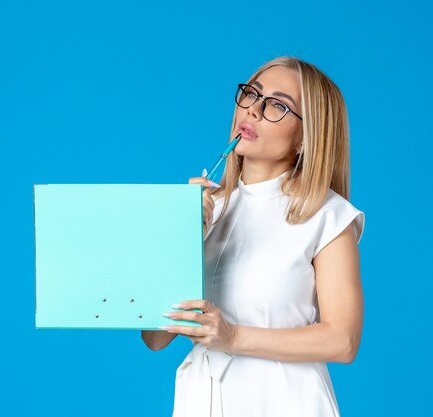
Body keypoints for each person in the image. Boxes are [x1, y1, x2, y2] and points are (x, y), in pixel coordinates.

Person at [141, 56, 365, 417]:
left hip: (285, 402)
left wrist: (233, 337)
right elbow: (154, 338)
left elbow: (343, 341)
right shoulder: (205, 207)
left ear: (307, 137)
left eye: (277, 105)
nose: (254, 110)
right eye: (251, 94)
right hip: (204, 400)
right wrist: (183, 242)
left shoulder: (327, 215)